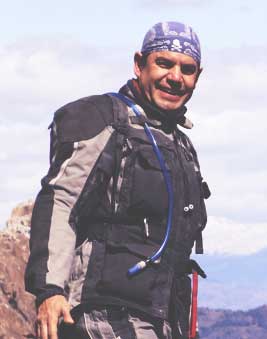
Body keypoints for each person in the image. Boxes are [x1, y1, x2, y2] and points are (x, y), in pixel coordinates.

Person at [25, 21, 210, 339]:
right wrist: (50, 290)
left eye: (187, 68)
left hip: (162, 319)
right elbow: (62, 199)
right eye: (163, 63)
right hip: (103, 314)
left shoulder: (181, 145)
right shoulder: (104, 120)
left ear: (197, 76)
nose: (175, 77)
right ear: (140, 64)